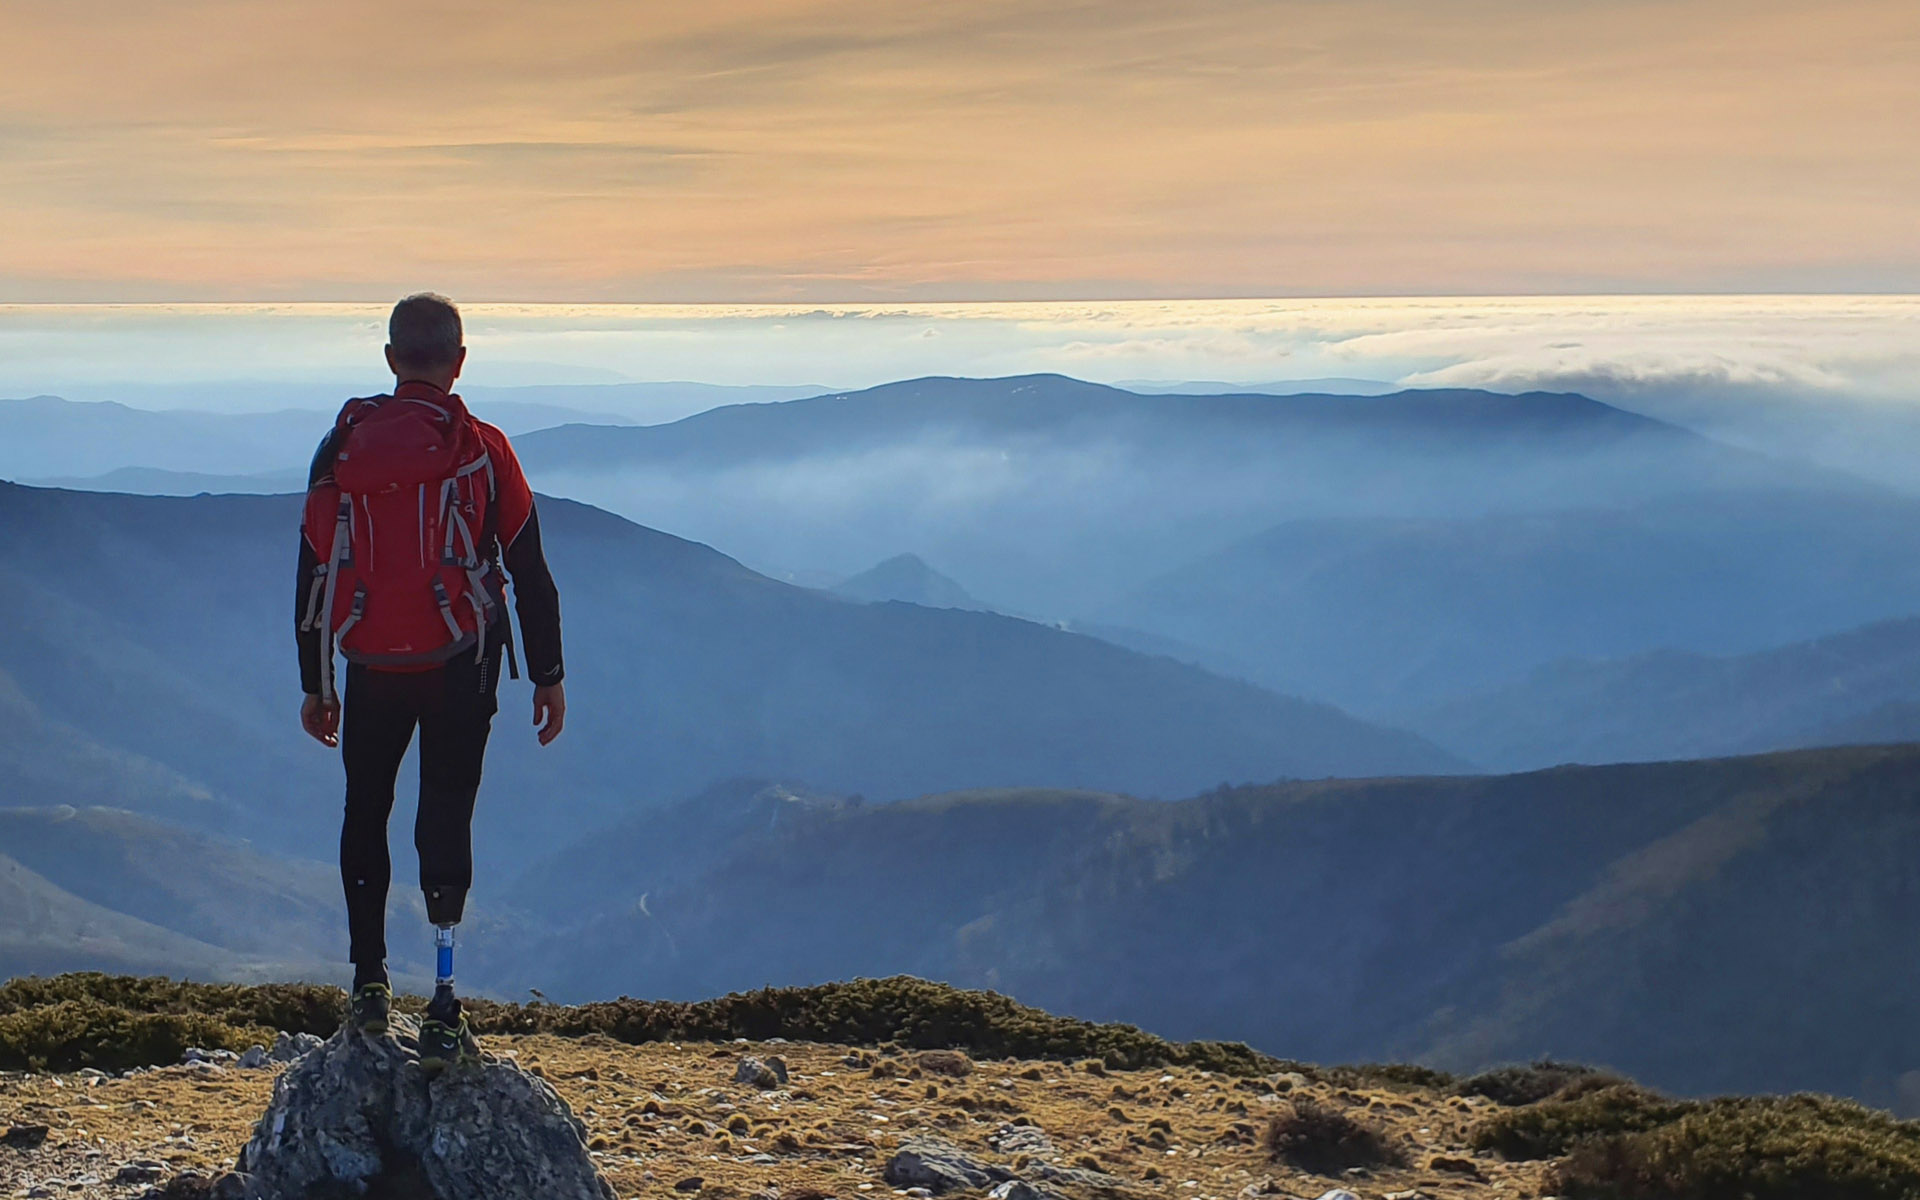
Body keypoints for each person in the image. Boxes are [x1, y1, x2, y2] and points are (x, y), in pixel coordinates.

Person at [295, 292, 566, 1071]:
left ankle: (369, 983)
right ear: (459, 361)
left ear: (388, 359)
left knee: (365, 810)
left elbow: (315, 574)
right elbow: (530, 570)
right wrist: (547, 674)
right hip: (461, 664)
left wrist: (316, 684)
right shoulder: (484, 447)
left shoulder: (339, 449)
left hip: (369, 665)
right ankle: (445, 1002)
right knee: (445, 815)